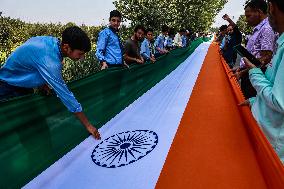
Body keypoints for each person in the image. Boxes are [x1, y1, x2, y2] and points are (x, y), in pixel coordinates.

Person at [0, 26, 101, 139]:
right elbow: (66, 96)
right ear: (67, 47)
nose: (82, 58)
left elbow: (32, 60)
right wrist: (88, 126)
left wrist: (43, 83)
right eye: (80, 53)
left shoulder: (51, 42)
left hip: (21, 85)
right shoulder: (51, 62)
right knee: (28, 134)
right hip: (7, 89)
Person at [242, 0, 284, 162]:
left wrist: (253, 71)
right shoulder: (280, 42)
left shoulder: (267, 31)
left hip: (272, 146)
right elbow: (276, 86)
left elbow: (279, 101)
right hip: (267, 133)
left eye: (248, 14)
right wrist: (255, 102)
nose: (247, 18)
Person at [233, 0, 277, 99]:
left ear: (259, 12)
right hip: (250, 74)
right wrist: (241, 67)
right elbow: (255, 55)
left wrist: (242, 72)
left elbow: (265, 60)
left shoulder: (266, 29)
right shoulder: (260, 28)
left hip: (255, 78)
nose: (246, 19)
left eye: (248, 16)